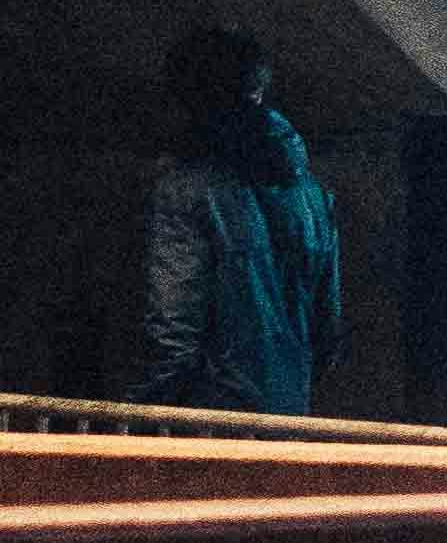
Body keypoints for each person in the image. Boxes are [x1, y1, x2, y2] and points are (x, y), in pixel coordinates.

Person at [139, 24, 342, 415]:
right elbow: (327, 333)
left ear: (187, 101)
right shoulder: (314, 199)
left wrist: (135, 419)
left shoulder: (185, 190)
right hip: (288, 420)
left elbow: (172, 333)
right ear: (258, 93)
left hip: (205, 425)